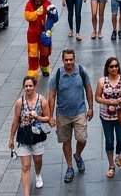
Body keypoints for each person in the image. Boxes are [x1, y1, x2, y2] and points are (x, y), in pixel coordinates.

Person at [47, 48, 93, 184]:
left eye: (71, 59)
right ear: (62, 60)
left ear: (74, 59)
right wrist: (50, 116)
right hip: (63, 114)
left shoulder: (81, 71)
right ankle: (70, 167)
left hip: (79, 112)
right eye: (66, 60)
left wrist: (90, 107)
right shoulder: (57, 74)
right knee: (66, 141)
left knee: (82, 138)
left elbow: (88, 89)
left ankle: (77, 155)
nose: (69, 62)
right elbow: (51, 95)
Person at [9, 76, 50, 196]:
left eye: (30, 86)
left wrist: (37, 117)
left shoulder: (42, 100)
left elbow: (47, 118)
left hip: (37, 135)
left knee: (37, 160)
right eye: (26, 86)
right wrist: (11, 138)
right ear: (23, 87)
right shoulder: (19, 102)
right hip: (24, 136)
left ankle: (37, 174)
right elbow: (15, 120)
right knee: (25, 166)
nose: (28, 88)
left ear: (35, 86)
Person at [96, 56, 121, 179]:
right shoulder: (102, 81)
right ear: (107, 68)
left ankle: (118, 156)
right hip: (106, 116)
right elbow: (97, 97)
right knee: (109, 140)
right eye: (111, 66)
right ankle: (111, 165)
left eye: (116, 66)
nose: (114, 68)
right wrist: (108, 101)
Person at [24, 0, 58, 78]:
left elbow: (53, 15)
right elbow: (27, 16)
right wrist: (35, 13)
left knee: (45, 53)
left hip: (45, 33)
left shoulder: (47, 3)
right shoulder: (29, 4)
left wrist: (54, 14)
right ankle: (33, 70)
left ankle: (44, 66)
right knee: (33, 53)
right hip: (33, 34)